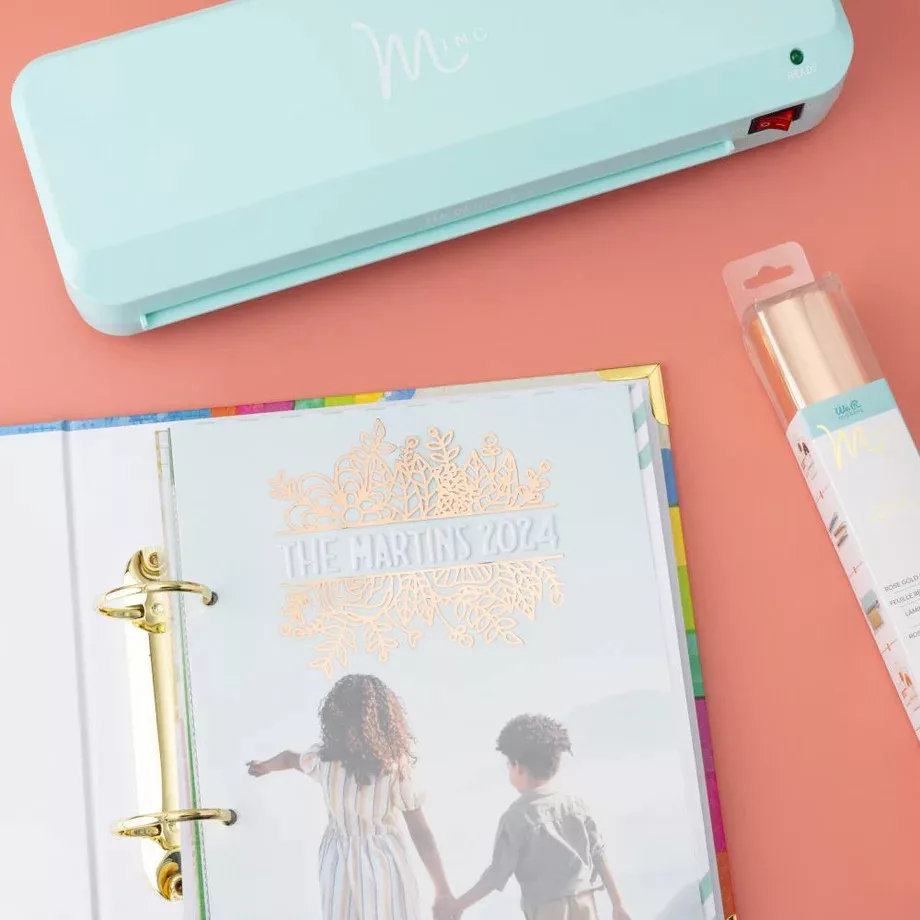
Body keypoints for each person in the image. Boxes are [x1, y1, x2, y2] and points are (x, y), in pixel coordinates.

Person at [247, 674, 453, 920]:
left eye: (357, 727)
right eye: (347, 727)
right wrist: (265, 766)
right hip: (347, 862)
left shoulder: (389, 769)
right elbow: (290, 758)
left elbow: (421, 833)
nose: (352, 735)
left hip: (375, 865)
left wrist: (442, 889)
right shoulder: (327, 761)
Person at [436, 714, 632, 920]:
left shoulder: (516, 817)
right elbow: (599, 855)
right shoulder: (576, 806)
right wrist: (618, 904)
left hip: (547, 910)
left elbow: (496, 874)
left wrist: (458, 905)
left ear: (517, 766)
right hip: (585, 904)